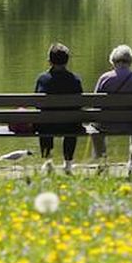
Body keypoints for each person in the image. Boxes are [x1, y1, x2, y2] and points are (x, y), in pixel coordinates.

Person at [90, 44, 132, 169]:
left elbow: (95, 104)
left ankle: (103, 163)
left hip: (107, 125)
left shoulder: (105, 79)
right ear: (131, 62)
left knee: (94, 128)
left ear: (113, 62)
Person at [34, 42, 84, 174]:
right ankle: (68, 163)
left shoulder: (42, 79)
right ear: (67, 61)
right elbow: (79, 104)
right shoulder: (75, 80)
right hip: (70, 125)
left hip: (47, 125)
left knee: (43, 120)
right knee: (73, 120)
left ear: (49, 61)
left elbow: (37, 104)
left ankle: (48, 162)